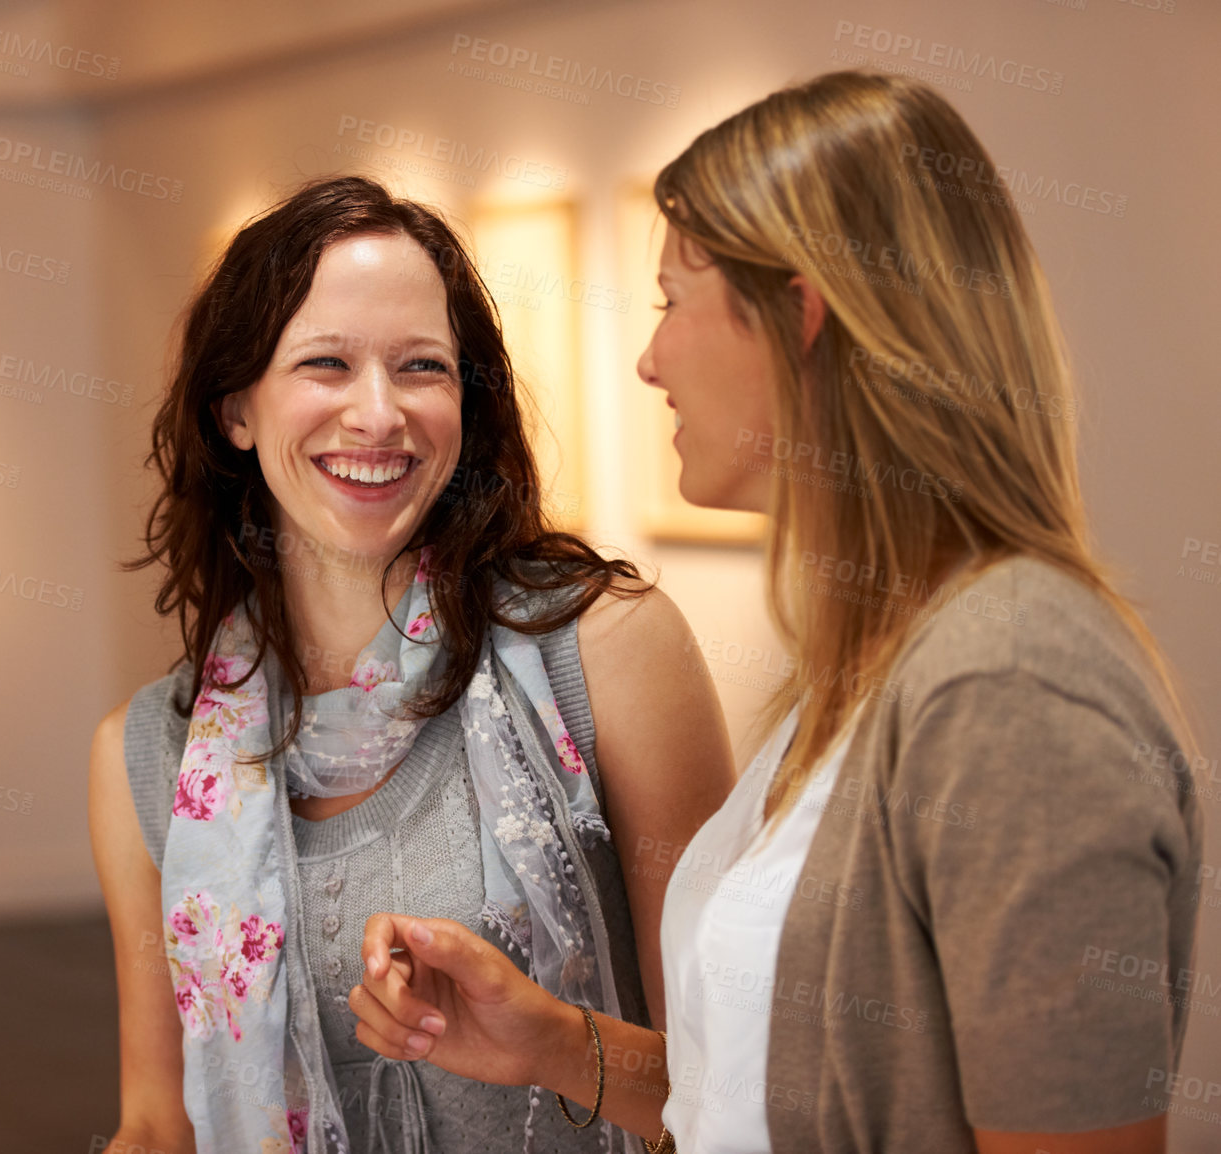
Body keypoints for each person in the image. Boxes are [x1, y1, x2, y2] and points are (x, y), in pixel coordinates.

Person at [347, 70, 1204, 1154]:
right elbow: (754, 1093)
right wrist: (548, 1040)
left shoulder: (1009, 684)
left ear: (797, 316)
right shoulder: (867, 668)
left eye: (670, 302)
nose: (649, 359)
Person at [87, 175, 734, 1154]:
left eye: (421, 366)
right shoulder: (145, 751)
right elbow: (156, 1122)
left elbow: (731, 1083)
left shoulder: (606, 649)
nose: (378, 414)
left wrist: (553, 1042)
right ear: (235, 409)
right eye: (327, 363)